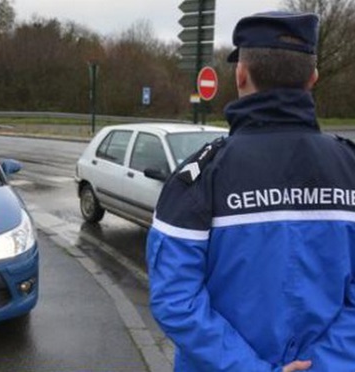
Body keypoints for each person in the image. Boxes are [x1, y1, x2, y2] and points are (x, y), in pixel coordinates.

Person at [147, 11, 355, 371]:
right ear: (313, 78)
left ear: (240, 75)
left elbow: (175, 299)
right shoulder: (349, 167)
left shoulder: (199, 176)